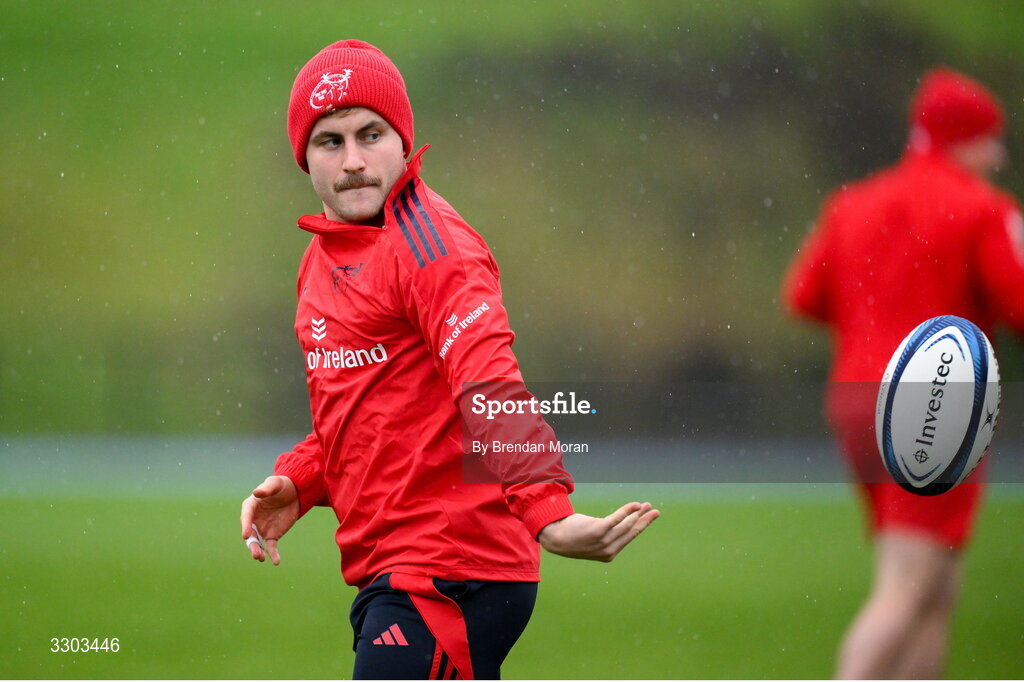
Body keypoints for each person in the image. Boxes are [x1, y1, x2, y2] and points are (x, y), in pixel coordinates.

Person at [239, 40, 660, 680]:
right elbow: (372, 408)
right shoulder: (322, 259)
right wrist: (302, 479)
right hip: (397, 567)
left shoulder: (434, 248)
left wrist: (549, 513)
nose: (353, 161)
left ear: (403, 140)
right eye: (331, 142)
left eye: (370, 134)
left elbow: (491, 386)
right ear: (304, 157)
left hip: (453, 567)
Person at [782, 67, 1024, 679]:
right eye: (990, 140)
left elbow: (804, 296)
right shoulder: (983, 209)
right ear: (960, 140)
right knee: (907, 587)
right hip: (937, 403)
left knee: (933, 587)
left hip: (858, 401)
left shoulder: (852, 203)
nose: (997, 155)